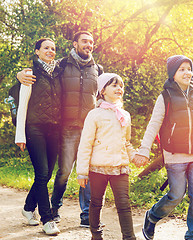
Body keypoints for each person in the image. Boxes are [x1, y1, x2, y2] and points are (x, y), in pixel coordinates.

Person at [133, 55, 193, 240]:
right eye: (181, 69)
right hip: (175, 155)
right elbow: (154, 124)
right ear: (173, 74)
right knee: (176, 195)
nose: (187, 72)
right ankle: (152, 216)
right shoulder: (165, 96)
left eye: (188, 68)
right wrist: (144, 150)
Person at [17, 31, 103, 228]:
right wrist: (20, 73)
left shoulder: (97, 69)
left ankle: (86, 214)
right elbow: (26, 90)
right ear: (75, 44)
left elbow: (103, 93)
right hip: (64, 128)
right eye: (84, 41)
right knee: (61, 172)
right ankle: (52, 210)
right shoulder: (62, 66)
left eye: (91, 42)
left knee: (85, 171)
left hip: (85, 129)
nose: (88, 45)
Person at [76, 73, 139, 240]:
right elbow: (85, 144)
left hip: (120, 167)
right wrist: (82, 172)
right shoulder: (94, 115)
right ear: (102, 90)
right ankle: (96, 235)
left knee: (124, 204)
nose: (119, 89)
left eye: (121, 86)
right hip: (98, 168)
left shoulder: (125, 115)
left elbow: (126, 142)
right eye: (114, 85)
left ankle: (129, 237)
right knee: (96, 202)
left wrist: (134, 157)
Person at [13, 38, 62, 235]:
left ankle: (27, 208)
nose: (50, 51)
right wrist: (20, 136)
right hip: (35, 129)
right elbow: (22, 106)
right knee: (42, 173)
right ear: (37, 51)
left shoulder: (59, 73)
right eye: (46, 48)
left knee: (47, 173)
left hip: (54, 130)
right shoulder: (29, 75)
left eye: (53, 48)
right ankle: (47, 219)